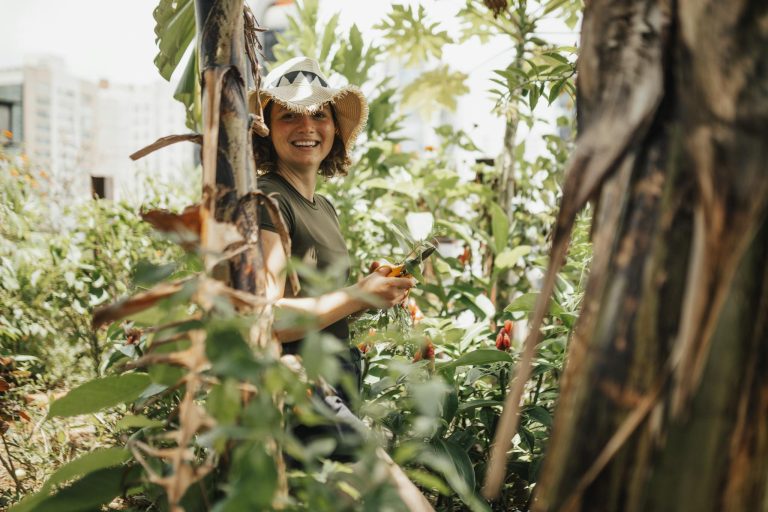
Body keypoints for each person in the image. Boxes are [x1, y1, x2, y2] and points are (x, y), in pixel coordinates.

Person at [248, 56, 415, 457]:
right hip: (303, 383)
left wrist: (373, 292)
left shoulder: (322, 205)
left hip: (338, 377)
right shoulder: (268, 199)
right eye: (289, 115)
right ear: (267, 130)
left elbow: (321, 308)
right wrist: (358, 293)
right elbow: (266, 318)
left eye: (319, 115)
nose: (307, 127)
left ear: (334, 129)